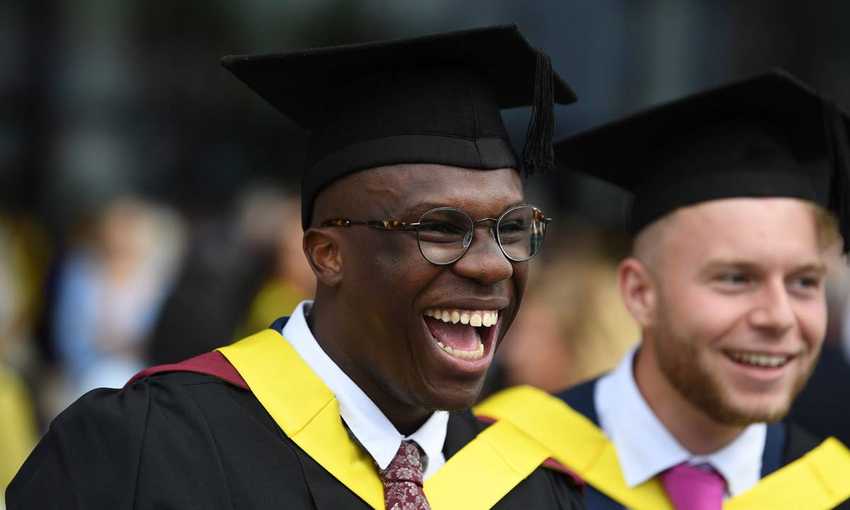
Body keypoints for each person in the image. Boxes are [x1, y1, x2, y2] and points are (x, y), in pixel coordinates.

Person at [7, 25, 584, 509]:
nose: (491, 266)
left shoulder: (535, 493)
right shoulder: (145, 449)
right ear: (326, 254)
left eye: (511, 229)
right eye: (440, 229)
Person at [475, 70, 850, 509]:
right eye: (735, 279)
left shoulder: (833, 491)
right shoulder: (501, 473)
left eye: (804, 282)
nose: (779, 316)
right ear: (639, 293)